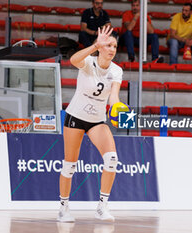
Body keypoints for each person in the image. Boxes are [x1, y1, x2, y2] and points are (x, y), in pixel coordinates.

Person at [58, 26, 121, 222]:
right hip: (75, 117)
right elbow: (73, 60)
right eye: (108, 45)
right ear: (101, 47)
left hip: (97, 121)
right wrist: (94, 45)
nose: (111, 49)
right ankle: (63, 208)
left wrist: (118, 108)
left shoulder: (117, 71)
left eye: (115, 46)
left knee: (112, 159)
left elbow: (114, 96)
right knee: (70, 165)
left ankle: (102, 207)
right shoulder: (88, 63)